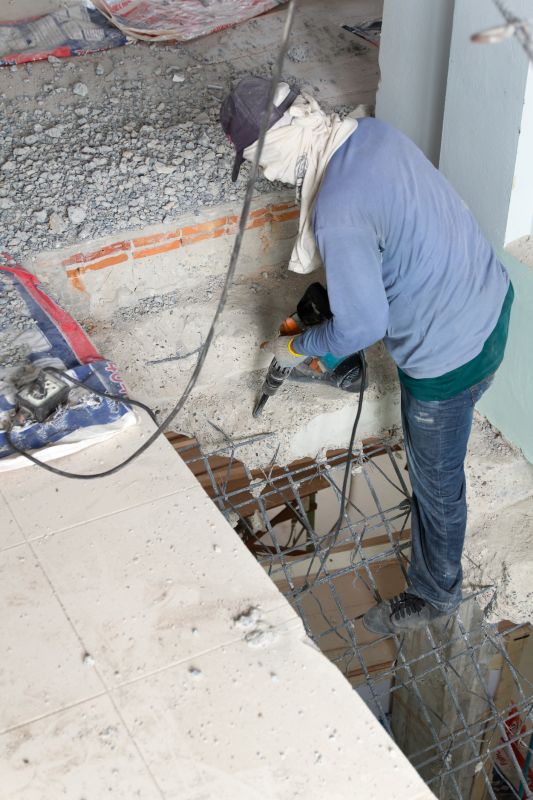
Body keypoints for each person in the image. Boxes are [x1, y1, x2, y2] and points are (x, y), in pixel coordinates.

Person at [220, 76, 513, 635]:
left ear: (275, 145)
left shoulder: (338, 210)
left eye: (258, 160)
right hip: (490, 299)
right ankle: (342, 362)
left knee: (437, 486)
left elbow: (366, 322)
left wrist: (298, 346)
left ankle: (435, 593)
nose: (264, 173)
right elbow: (385, 235)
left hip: (450, 363)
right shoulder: (367, 134)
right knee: (334, 307)